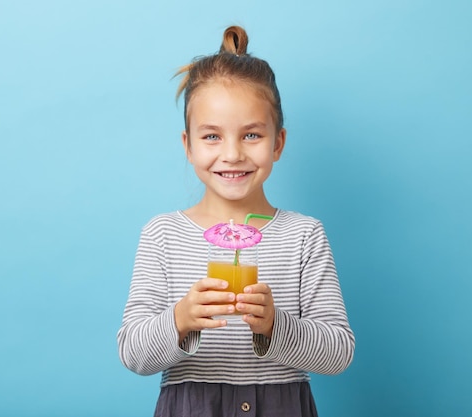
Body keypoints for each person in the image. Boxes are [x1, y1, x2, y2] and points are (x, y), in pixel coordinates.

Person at [117, 25, 355, 417]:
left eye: (251, 135)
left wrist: (276, 325)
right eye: (212, 136)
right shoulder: (163, 235)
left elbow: (338, 353)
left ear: (277, 142)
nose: (231, 154)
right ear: (187, 145)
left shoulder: (303, 236)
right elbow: (132, 354)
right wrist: (179, 319)